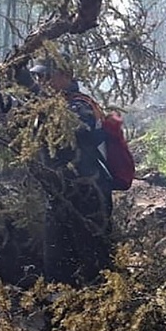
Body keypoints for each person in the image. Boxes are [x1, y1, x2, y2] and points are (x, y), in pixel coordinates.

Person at [28, 56, 114, 286]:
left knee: (95, 256)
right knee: (56, 259)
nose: (40, 81)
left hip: (89, 193)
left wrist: (44, 108)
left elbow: (76, 128)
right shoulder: (43, 105)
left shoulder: (81, 105)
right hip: (57, 195)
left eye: (46, 75)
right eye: (37, 76)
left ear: (65, 76)